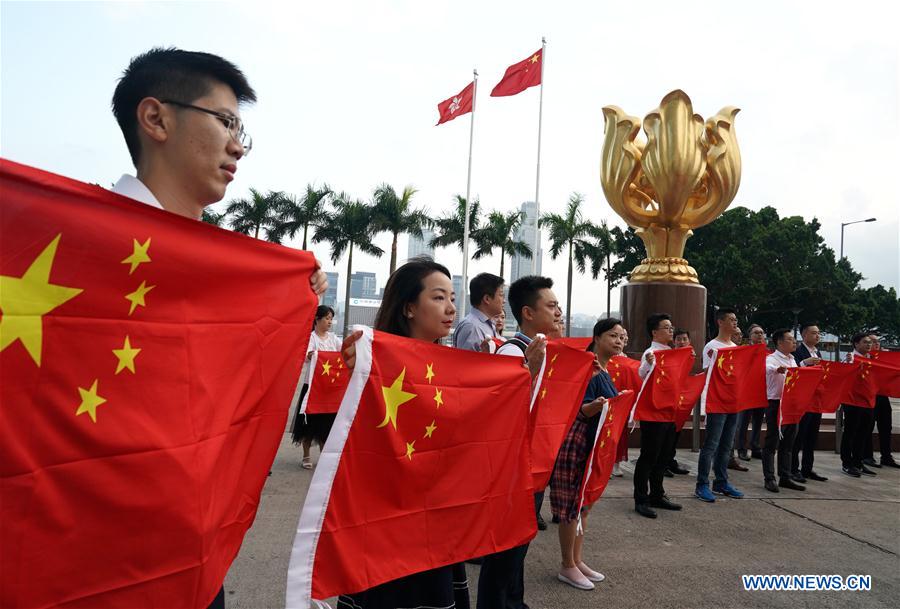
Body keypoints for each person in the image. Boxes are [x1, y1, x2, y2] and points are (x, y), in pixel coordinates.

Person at [110, 47, 328, 609]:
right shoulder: (78, 256)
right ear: (156, 118)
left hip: (196, 554)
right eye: (225, 122)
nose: (238, 145)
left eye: (242, 129)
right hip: (98, 554)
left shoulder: (227, 273)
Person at [335, 257, 470, 609]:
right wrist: (358, 365)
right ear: (409, 307)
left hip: (437, 512)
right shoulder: (371, 358)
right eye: (439, 297)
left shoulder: (455, 367)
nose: (451, 308)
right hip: (388, 513)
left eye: (453, 297)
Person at [476, 275, 551, 609]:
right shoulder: (512, 350)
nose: (558, 312)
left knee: (520, 542)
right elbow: (499, 408)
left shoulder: (542, 351)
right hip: (511, 468)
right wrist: (529, 373)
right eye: (550, 306)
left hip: (533, 462)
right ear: (528, 312)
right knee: (504, 547)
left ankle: (514, 603)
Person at [551, 318, 623, 590]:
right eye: (612, 336)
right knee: (573, 506)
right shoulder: (587, 367)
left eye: (621, 337)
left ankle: (576, 559)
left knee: (584, 505)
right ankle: (566, 565)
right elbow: (577, 408)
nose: (618, 341)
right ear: (597, 337)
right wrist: (596, 406)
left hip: (594, 445)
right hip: (577, 442)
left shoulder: (603, 368)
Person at [633, 314, 682, 519]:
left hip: (669, 411)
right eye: (666, 327)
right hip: (653, 413)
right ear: (655, 332)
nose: (671, 331)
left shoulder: (671, 352)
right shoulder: (651, 352)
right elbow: (642, 374)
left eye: (671, 327)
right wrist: (649, 364)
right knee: (649, 456)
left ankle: (657, 494)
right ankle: (641, 499)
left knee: (663, 457)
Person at [695, 308, 745, 502]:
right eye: (731, 320)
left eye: (736, 320)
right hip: (717, 401)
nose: (735, 323)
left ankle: (721, 481)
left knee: (726, 446)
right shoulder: (712, 347)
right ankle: (701, 484)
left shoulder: (735, 346)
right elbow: (708, 371)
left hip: (734, 402)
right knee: (711, 446)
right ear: (720, 322)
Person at [290, 305, 341, 468]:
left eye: (331, 319)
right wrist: (316, 355)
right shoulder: (311, 338)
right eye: (326, 318)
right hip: (312, 387)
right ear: (317, 319)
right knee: (308, 423)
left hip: (328, 389)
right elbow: (307, 355)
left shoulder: (333, 339)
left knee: (326, 424)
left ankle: (324, 456)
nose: (329, 322)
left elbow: (344, 352)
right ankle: (306, 456)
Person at [762, 329, 805, 493]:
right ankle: (769, 478)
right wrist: (777, 369)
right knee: (772, 442)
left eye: (794, 340)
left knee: (788, 443)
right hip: (776, 404)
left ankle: (785, 476)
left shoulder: (793, 359)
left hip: (791, 405)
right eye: (790, 339)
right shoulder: (771, 359)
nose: (794, 342)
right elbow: (768, 369)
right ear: (779, 342)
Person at [790, 324, 827, 481]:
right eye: (813, 333)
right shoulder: (797, 352)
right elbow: (792, 370)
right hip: (803, 400)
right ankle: (793, 469)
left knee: (812, 436)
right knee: (799, 436)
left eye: (818, 333)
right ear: (804, 335)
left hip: (815, 400)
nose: (817, 336)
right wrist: (804, 363)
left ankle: (807, 468)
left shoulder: (817, 352)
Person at [840, 333, 876, 478]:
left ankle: (858, 462)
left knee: (864, 433)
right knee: (850, 432)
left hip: (868, 401)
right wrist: (850, 363)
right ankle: (847, 463)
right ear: (856, 344)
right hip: (853, 401)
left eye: (870, 343)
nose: (869, 345)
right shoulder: (850, 358)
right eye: (865, 342)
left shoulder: (873, 360)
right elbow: (844, 375)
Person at [863, 335, 900, 469]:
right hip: (869, 396)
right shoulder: (863, 357)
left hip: (882, 395)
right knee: (868, 426)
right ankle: (867, 455)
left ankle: (886, 456)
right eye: (872, 342)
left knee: (886, 426)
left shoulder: (884, 357)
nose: (875, 344)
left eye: (877, 342)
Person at [735, 324, 768, 461]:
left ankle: (755, 447)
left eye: (761, 332)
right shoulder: (743, 350)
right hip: (746, 392)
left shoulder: (768, 352)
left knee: (758, 422)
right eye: (756, 333)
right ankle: (741, 449)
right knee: (743, 422)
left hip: (762, 391)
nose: (759, 335)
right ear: (750, 336)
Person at [664, 329, 693, 476]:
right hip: (668, 399)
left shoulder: (690, 356)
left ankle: (670, 461)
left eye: (684, 339)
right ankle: (663, 464)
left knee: (677, 430)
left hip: (682, 398)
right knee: (667, 433)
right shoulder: (669, 355)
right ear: (674, 341)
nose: (681, 342)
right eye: (679, 339)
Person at [453, 272, 505, 351]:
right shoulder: (471, 327)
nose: (504, 301)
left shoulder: (489, 324)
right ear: (487, 299)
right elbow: (465, 361)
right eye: (501, 295)